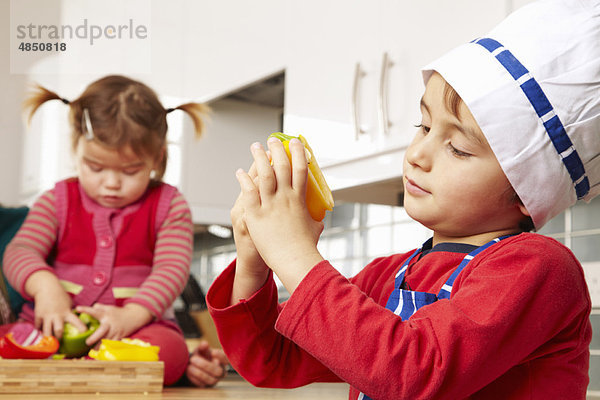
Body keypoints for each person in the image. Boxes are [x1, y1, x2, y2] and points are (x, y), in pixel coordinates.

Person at [205, 1, 599, 399]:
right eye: (423, 125)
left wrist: (293, 253)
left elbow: (413, 373)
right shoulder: (386, 276)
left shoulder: (538, 268)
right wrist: (255, 259)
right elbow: (273, 358)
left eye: (458, 148)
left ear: (527, 189)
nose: (416, 154)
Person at [3, 75, 208, 385]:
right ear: (76, 148)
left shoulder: (170, 205)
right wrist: (45, 288)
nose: (111, 183)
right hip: (52, 324)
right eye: (95, 167)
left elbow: (171, 270)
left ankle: (78, 368)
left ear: (157, 157)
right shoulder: (56, 200)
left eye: (130, 170)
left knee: (170, 352)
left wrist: (131, 316)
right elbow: (20, 252)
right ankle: (92, 368)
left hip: (134, 330)